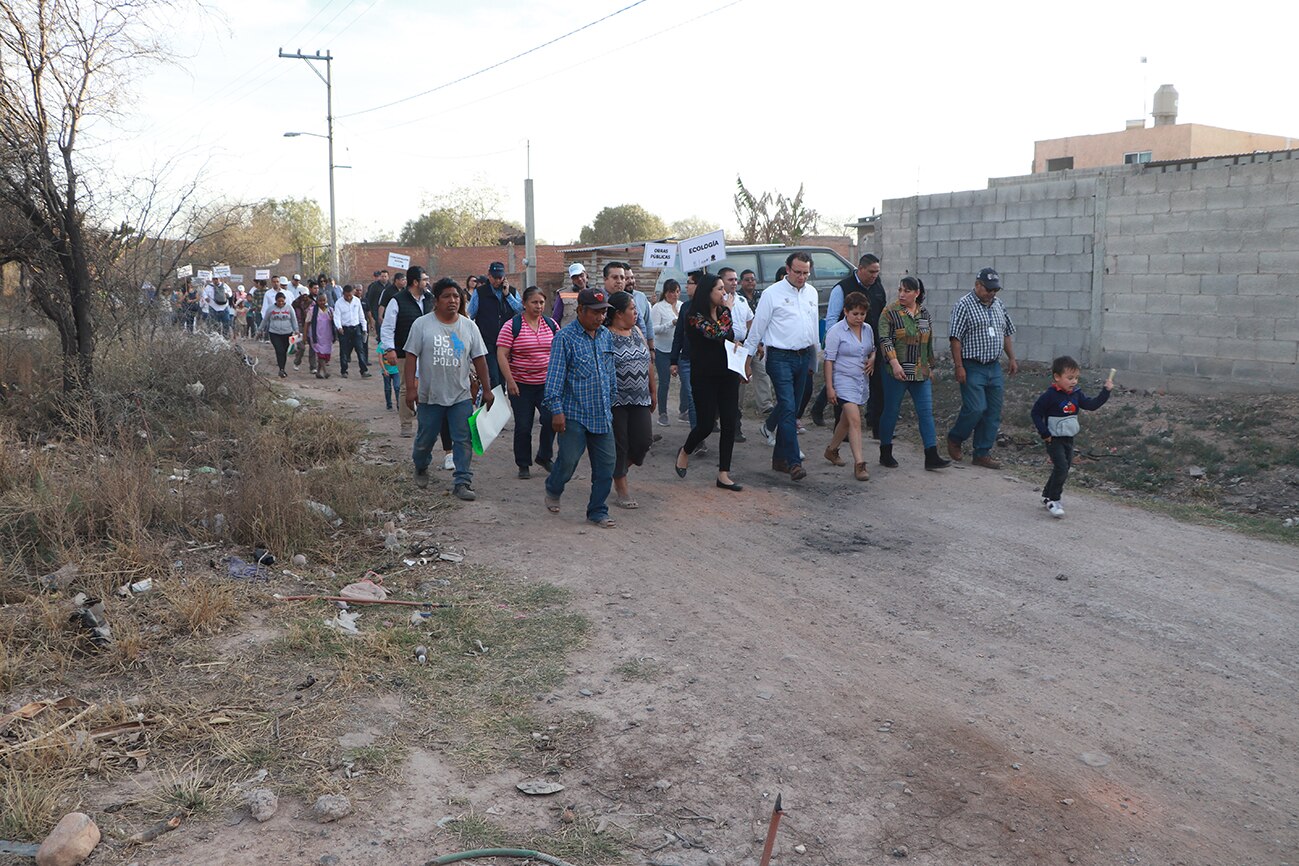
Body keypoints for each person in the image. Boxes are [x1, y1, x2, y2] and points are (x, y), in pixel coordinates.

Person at [403, 277, 492, 502]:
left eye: (456, 296)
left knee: (463, 439)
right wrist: (411, 389)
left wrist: (488, 390)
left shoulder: (469, 326)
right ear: (436, 301)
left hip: (460, 395)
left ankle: (462, 481)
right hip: (430, 395)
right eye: (446, 296)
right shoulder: (422, 325)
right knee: (426, 438)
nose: (452, 300)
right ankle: (421, 466)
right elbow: (411, 357)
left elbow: (480, 359)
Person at [542, 287, 618, 528]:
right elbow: (554, 377)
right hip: (573, 413)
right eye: (595, 312)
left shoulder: (606, 335)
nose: (600, 317)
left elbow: (610, 371)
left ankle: (597, 510)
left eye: (603, 312)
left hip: (602, 412)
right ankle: (554, 488)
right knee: (568, 461)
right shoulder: (564, 338)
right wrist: (556, 411)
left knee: (606, 465)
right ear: (581, 310)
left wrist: (613, 399)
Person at [744, 253, 819, 481]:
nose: (801, 277)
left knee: (792, 408)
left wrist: (814, 361)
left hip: (803, 356)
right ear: (788, 269)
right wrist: (747, 360)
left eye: (805, 273)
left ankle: (778, 460)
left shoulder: (812, 293)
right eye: (797, 272)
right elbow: (758, 328)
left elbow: (813, 327)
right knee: (787, 406)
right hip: (779, 357)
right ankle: (794, 462)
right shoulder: (772, 294)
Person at [673, 273, 743, 492]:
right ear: (708, 292)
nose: (725, 293)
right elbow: (715, 333)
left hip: (727, 373)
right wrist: (729, 312)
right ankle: (685, 450)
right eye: (720, 289)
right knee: (705, 425)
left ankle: (724, 474)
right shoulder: (693, 315)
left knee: (730, 422)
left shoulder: (723, 312)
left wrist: (737, 347)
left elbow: (728, 335)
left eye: (725, 288)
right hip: (704, 376)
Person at [946, 266, 1019, 469]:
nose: (991, 293)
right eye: (988, 289)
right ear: (977, 285)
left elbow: (1006, 333)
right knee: (976, 408)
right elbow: (955, 338)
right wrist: (959, 366)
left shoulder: (998, 305)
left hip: (993, 366)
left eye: (995, 290)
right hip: (972, 365)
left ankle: (982, 452)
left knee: (993, 411)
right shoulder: (964, 305)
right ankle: (955, 438)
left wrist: (1012, 358)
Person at [877, 277, 949, 470]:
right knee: (891, 411)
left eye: (907, 291)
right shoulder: (890, 312)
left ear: (916, 293)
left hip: (920, 372)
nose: (901, 294)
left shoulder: (924, 313)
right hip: (897, 371)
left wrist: (930, 367)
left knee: (926, 412)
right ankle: (885, 452)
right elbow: (885, 339)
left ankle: (931, 455)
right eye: (900, 290)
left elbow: (928, 342)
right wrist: (894, 363)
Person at [1031, 356, 1113, 519]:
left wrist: (1106, 391)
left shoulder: (1076, 394)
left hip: (1069, 439)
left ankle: (1047, 495)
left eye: (1076, 378)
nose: (1074, 381)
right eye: (1070, 378)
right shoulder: (1050, 396)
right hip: (1053, 439)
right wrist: (1044, 433)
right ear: (1057, 377)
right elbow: (1035, 413)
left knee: (1063, 467)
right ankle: (1054, 501)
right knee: (1061, 467)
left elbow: (1092, 405)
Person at [811, 254, 884, 432]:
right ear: (860, 269)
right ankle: (838, 426)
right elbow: (832, 318)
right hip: (846, 344)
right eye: (871, 272)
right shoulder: (842, 288)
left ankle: (876, 424)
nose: (874, 275)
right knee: (841, 383)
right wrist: (832, 344)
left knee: (876, 383)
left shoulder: (877, 286)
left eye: (877, 272)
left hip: (870, 342)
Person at [496, 286, 558, 479]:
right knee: (523, 425)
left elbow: (560, 351)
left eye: (541, 302)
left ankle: (544, 456)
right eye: (534, 302)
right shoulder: (512, 326)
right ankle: (523, 463)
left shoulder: (551, 324)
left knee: (551, 420)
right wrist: (510, 381)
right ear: (524, 303)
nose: (538, 306)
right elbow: (502, 355)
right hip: (521, 385)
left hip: (546, 385)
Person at [605, 291, 656, 508]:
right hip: (616, 400)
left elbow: (648, 362)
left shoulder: (636, 331)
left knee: (643, 442)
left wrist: (653, 391)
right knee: (620, 444)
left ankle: (615, 471)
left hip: (640, 398)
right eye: (632, 309)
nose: (636, 312)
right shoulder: (605, 334)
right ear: (618, 313)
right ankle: (621, 486)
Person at [822, 291, 876, 481]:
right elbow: (828, 360)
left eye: (862, 314)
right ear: (845, 311)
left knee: (846, 421)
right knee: (855, 420)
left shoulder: (868, 329)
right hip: (843, 380)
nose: (859, 318)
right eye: (855, 314)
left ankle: (832, 450)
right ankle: (859, 464)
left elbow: (872, 349)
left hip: (861, 380)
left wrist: (873, 359)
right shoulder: (836, 332)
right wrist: (830, 387)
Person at [381, 266, 434, 438]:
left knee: (429, 387)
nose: (427, 282)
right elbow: (388, 327)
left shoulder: (430, 299)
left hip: (428, 352)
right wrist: (390, 349)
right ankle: (406, 425)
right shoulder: (397, 301)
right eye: (424, 279)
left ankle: (428, 423)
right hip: (404, 352)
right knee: (406, 387)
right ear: (415, 282)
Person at [469, 261, 522, 388]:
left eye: (500, 277)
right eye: (494, 277)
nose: (497, 281)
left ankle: (499, 404)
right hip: (487, 342)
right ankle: (492, 404)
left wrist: (507, 295)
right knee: (493, 378)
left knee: (503, 377)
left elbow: (521, 311)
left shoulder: (512, 292)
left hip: (507, 343)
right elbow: (470, 315)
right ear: (489, 275)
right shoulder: (481, 293)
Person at [719, 266, 750, 442]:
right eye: (730, 279)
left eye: (735, 279)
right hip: (723, 347)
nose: (734, 283)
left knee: (738, 389)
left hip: (740, 348)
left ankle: (735, 427)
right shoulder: (718, 302)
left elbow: (750, 321)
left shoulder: (742, 301)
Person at [669, 271, 701, 438]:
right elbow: (679, 335)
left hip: (706, 362)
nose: (686, 286)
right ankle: (696, 438)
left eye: (690, 282)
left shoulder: (713, 306)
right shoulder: (685, 308)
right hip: (687, 360)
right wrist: (674, 360)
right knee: (692, 397)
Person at [739, 269, 774, 416]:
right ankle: (736, 407)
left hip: (759, 342)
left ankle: (765, 404)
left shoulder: (761, 296)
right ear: (741, 282)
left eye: (752, 279)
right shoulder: (738, 298)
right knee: (740, 376)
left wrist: (760, 342)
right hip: (741, 343)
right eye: (747, 279)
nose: (750, 282)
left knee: (762, 372)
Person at [650, 279, 681, 427]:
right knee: (664, 382)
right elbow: (654, 329)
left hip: (680, 350)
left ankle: (685, 410)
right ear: (665, 292)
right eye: (671, 292)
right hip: (663, 350)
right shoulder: (658, 307)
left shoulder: (682, 306)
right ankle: (662, 413)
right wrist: (671, 324)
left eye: (677, 291)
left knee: (687, 382)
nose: (674, 295)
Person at [258, 291, 299, 378]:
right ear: (276, 301)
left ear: (284, 300)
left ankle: (282, 368)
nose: (280, 303)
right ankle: (281, 369)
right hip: (274, 333)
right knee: (279, 350)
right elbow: (265, 320)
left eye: (282, 301)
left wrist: (296, 330)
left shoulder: (289, 308)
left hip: (287, 333)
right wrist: (259, 330)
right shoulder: (271, 309)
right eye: (279, 301)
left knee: (284, 351)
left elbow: (293, 319)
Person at [333, 284, 370, 378]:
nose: (349, 297)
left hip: (356, 328)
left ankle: (364, 370)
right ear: (343, 294)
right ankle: (344, 370)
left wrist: (364, 328)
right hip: (345, 329)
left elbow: (361, 315)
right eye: (347, 295)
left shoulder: (357, 301)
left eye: (350, 295)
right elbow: (336, 317)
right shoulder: (339, 303)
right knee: (344, 350)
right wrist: (339, 327)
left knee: (360, 349)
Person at [305, 291, 336, 379]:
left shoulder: (330, 310)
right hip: (316, 336)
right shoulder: (312, 311)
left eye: (324, 300)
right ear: (317, 301)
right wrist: (305, 336)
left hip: (327, 336)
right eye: (320, 301)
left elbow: (334, 322)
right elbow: (307, 323)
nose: (322, 302)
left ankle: (318, 372)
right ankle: (325, 371)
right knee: (320, 354)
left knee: (325, 354)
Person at [292, 281, 320, 373]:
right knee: (301, 347)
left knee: (313, 346)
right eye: (303, 295)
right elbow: (293, 316)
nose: (304, 297)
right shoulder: (295, 304)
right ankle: (297, 362)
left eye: (306, 295)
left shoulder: (312, 303)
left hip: (310, 325)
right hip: (299, 325)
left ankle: (313, 366)